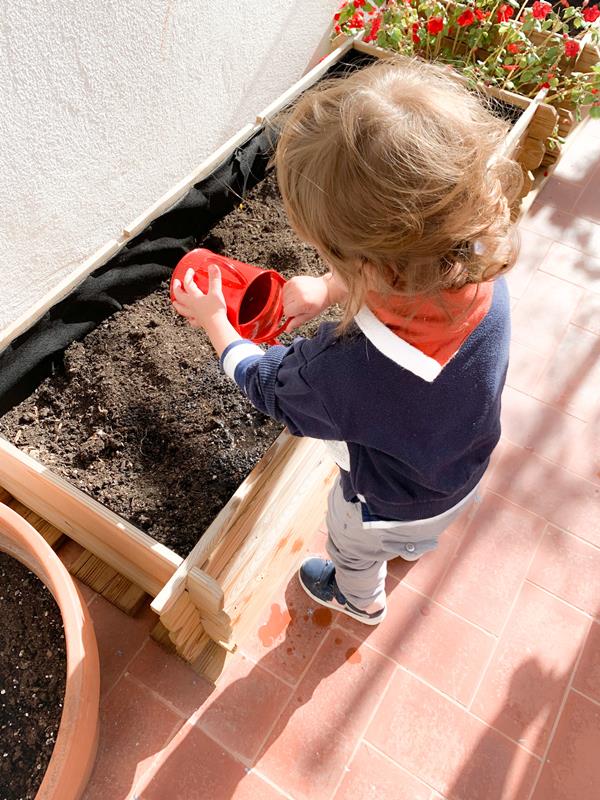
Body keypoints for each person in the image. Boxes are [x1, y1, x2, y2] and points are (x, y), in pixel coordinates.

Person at [172, 57, 521, 626]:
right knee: (418, 527)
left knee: (353, 542)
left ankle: (359, 598)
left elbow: (269, 388)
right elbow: (405, 263)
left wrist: (217, 322)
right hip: (464, 464)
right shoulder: (477, 265)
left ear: (361, 258)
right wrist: (328, 288)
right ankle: (414, 543)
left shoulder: (348, 368)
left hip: (386, 500)